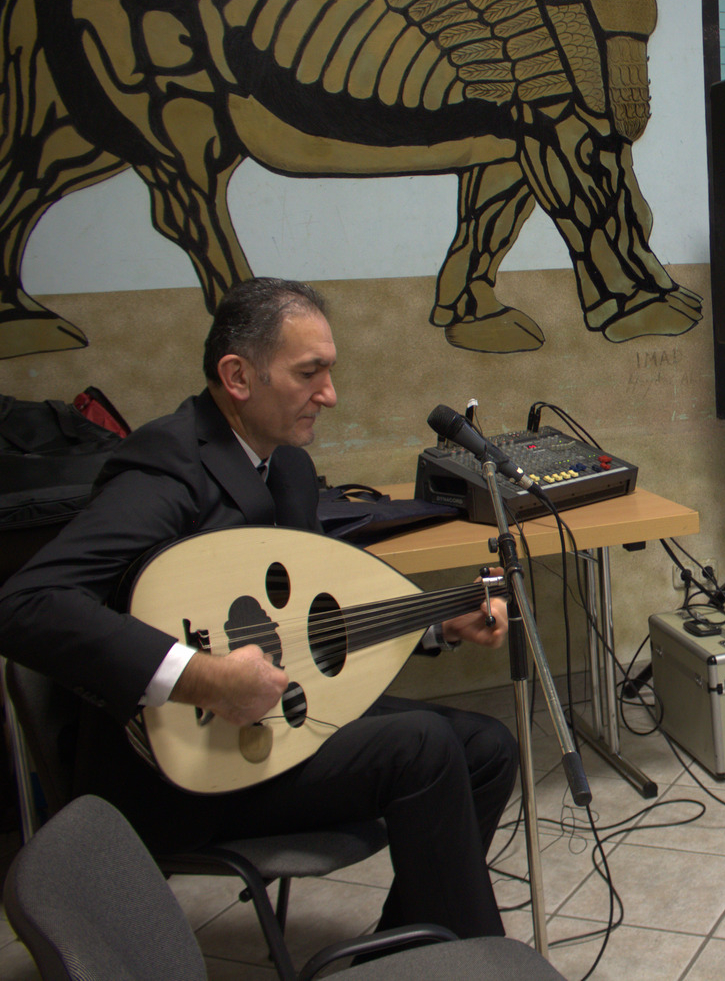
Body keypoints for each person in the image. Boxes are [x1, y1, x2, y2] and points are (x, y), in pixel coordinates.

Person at [0, 278, 519, 944]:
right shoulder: (167, 467)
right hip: (176, 770)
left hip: (276, 725)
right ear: (238, 376)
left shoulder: (289, 469)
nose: (329, 395)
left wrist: (434, 625)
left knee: (487, 748)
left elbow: (308, 622)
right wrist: (201, 677)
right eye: (309, 373)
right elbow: (26, 604)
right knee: (422, 745)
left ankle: (408, 952)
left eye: (329, 372)